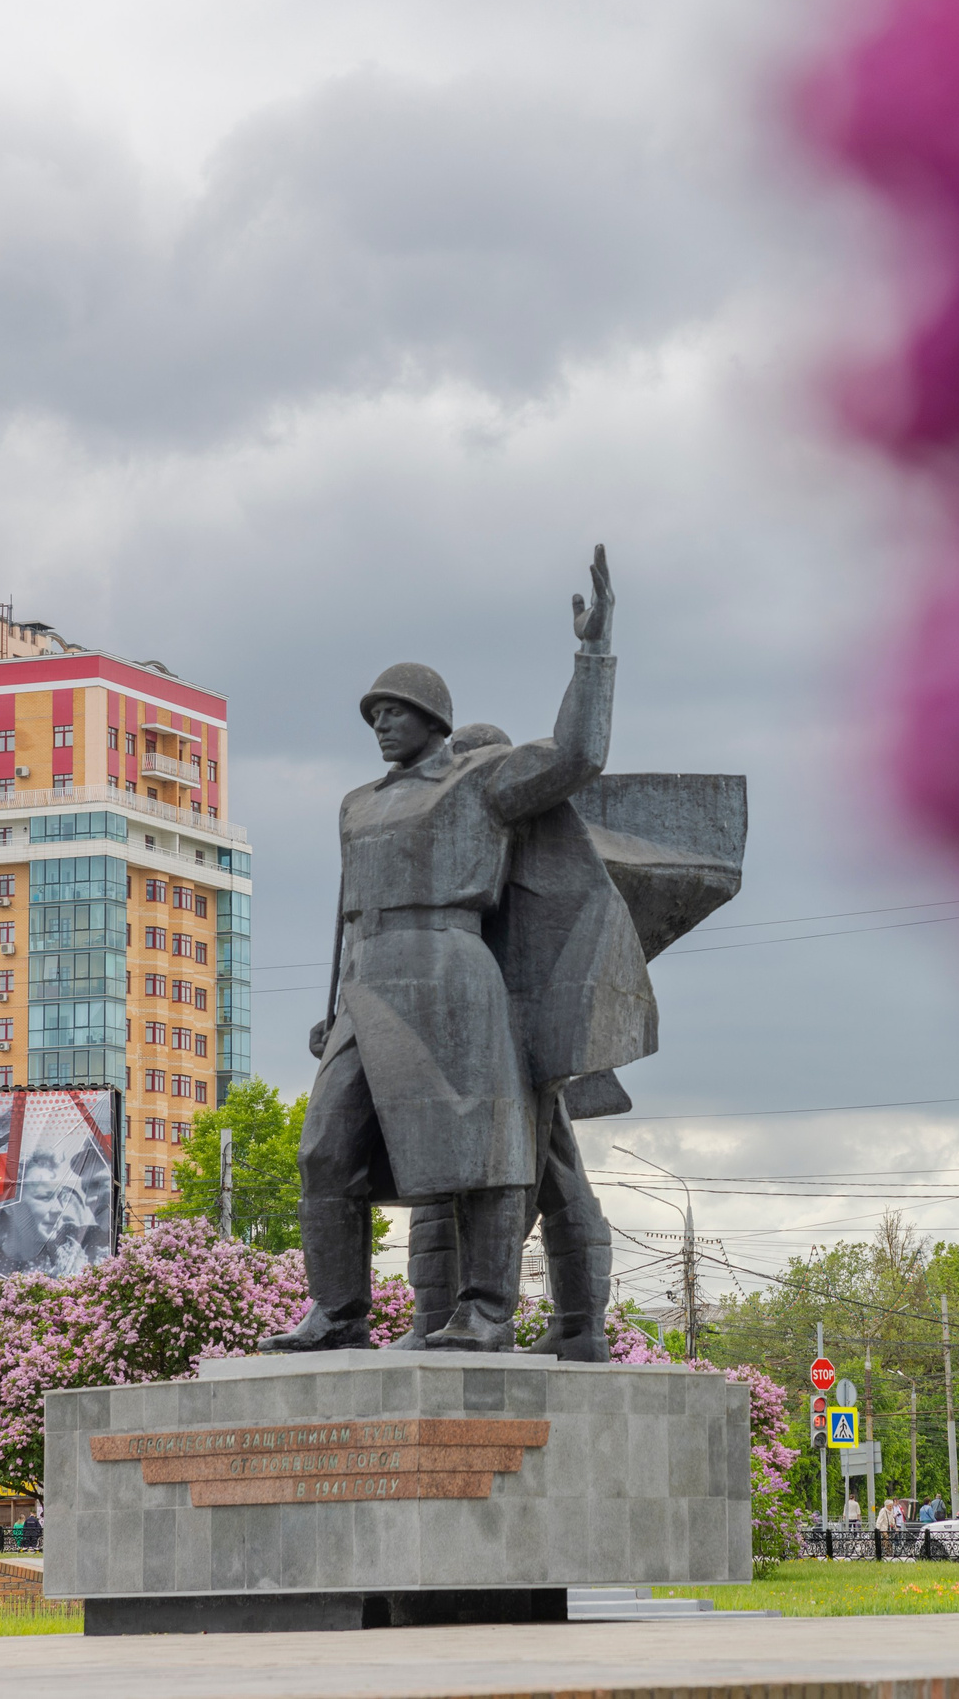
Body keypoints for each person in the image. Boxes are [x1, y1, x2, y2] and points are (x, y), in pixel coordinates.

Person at [265, 548, 635, 1354]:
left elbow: (576, 758)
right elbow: (343, 920)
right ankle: (338, 1312)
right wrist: (332, 1013)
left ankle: (486, 1312)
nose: (380, 724)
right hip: (370, 984)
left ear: (433, 717)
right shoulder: (356, 805)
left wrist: (594, 652)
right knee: (325, 1147)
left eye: (393, 710)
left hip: (454, 970)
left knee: (487, 1147)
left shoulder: (479, 782)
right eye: (371, 715)